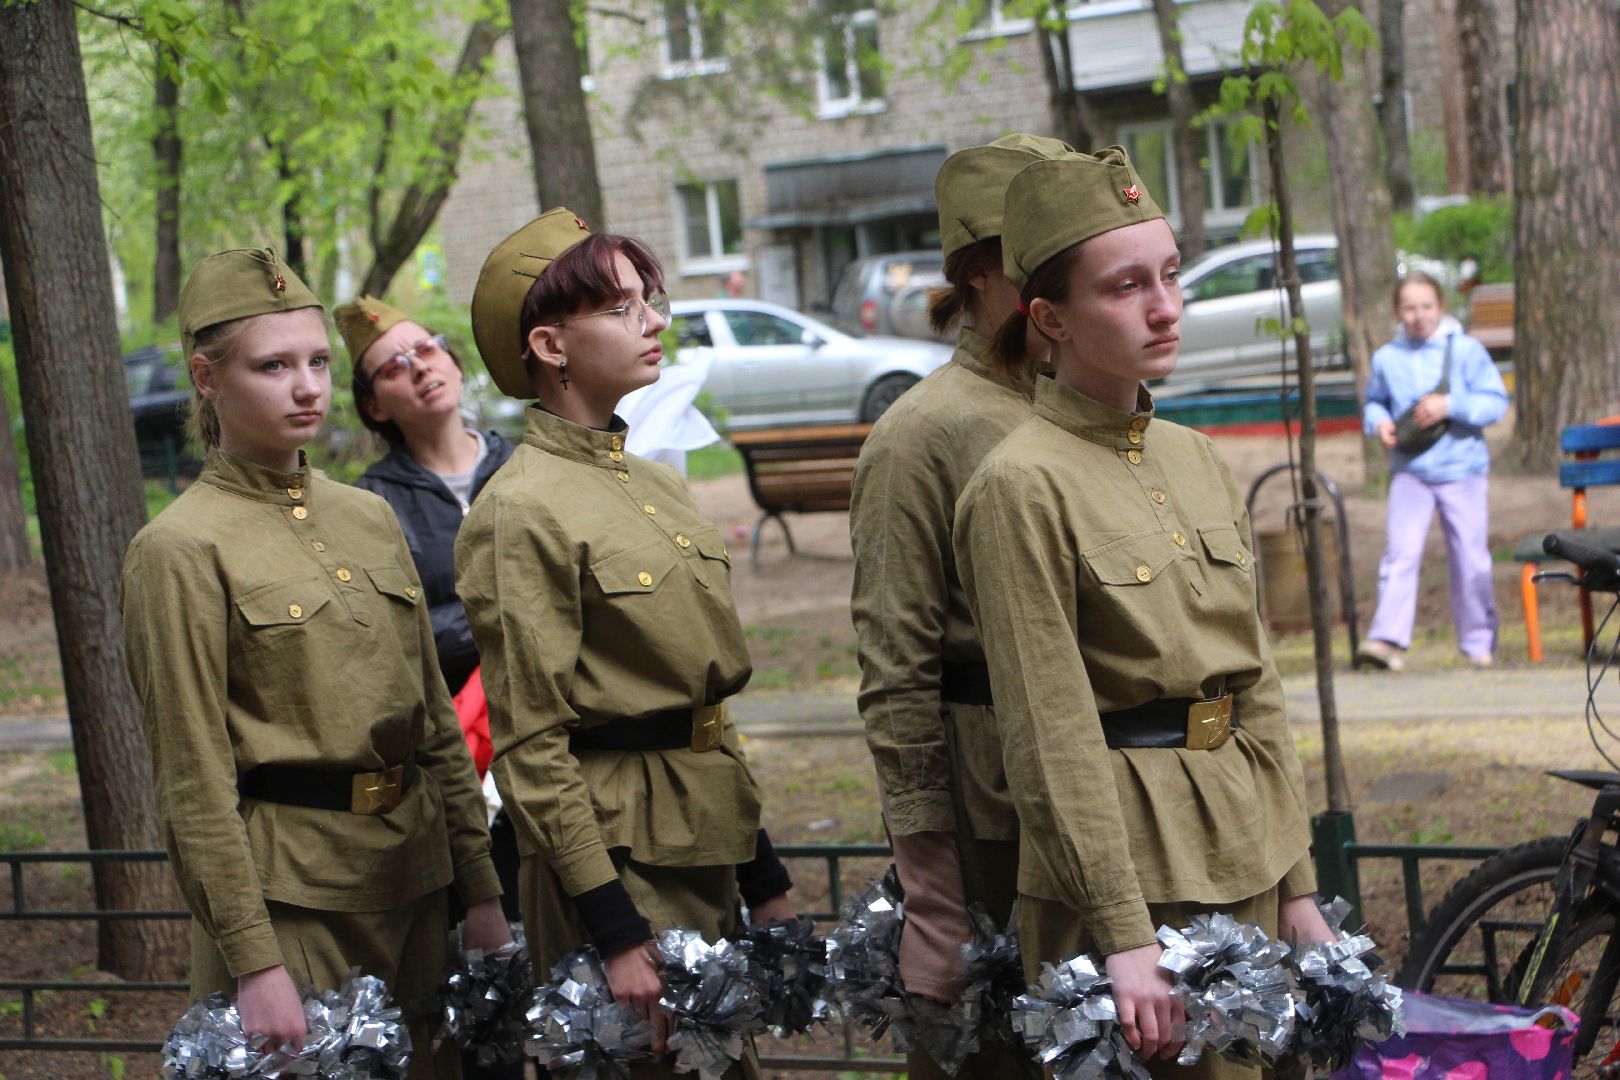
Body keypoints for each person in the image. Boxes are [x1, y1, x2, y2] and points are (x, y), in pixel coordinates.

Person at [951, 150, 1335, 1075]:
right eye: (1126, 287)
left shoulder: (1194, 456)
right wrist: (1120, 931)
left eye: (1169, 275)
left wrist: (1297, 882)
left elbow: (1255, 687)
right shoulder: (1018, 485)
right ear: (1049, 318)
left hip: (1246, 844)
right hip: (1125, 870)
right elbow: (1047, 730)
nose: (1165, 307)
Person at [120, 248, 509, 1080]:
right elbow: (193, 777)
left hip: (415, 881)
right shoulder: (179, 547)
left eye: (319, 364)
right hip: (294, 902)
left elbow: (435, 725)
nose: (307, 388)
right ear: (207, 378)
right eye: (273, 366)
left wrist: (479, 890)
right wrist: (253, 959)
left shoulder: (368, 515)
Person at [455, 209, 796, 1077]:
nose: (653, 321)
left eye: (652, 300)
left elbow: (699, 707)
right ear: (550, 346)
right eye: (620, 308)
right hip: (614, 865)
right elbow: (531, 742)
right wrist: (612, 928)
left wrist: (764, 878)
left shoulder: (654, 484)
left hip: (705, 838)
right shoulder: (519, 508)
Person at [849, 132, 1070, 1080]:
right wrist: (933, 887)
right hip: (992, 813)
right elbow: (895, 666)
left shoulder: (1084, 407)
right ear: (979, 272)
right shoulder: (923, 433)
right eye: (1038, 255)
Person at [337, 297, 523, 1080]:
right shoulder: (369, 506)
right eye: (393, 366)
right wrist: (500, 620)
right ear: (376, 405)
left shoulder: (526, 464)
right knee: (487, 995)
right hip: (456, 766)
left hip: (559, 749)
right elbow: (392, 635)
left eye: (427, 348)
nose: (419, 368)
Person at [1357, 271, 1509, 671]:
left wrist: (1450, 405)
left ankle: (1479, 644)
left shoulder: (1467, 350)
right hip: (1411, 472)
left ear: (1440, 307)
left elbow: (1496, 402)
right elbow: (1374, 402)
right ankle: (1386, 641)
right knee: (1400, 555)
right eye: (1409, 308)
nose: (1418, 315)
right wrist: (1379, 423)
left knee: (1471, 560)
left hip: (1463, 470)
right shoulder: (1387, 358)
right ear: (1397, 312)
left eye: (1426, 306)